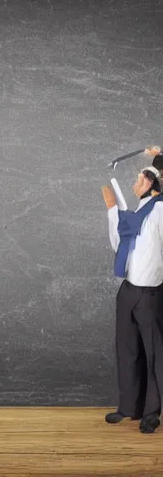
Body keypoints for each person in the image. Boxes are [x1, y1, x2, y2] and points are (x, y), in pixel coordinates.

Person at [102, 165, 163, 433]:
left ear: (153, 184)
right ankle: (129, 407)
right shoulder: (138, 211)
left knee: (153, 355)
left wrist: (159, 156)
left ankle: (152, 412)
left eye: (141, 178)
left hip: (150, 293)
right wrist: (112, 209)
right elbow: (120, 246)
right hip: (128, 290)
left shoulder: (160, 211)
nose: (136, 182)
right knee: (127, 350)